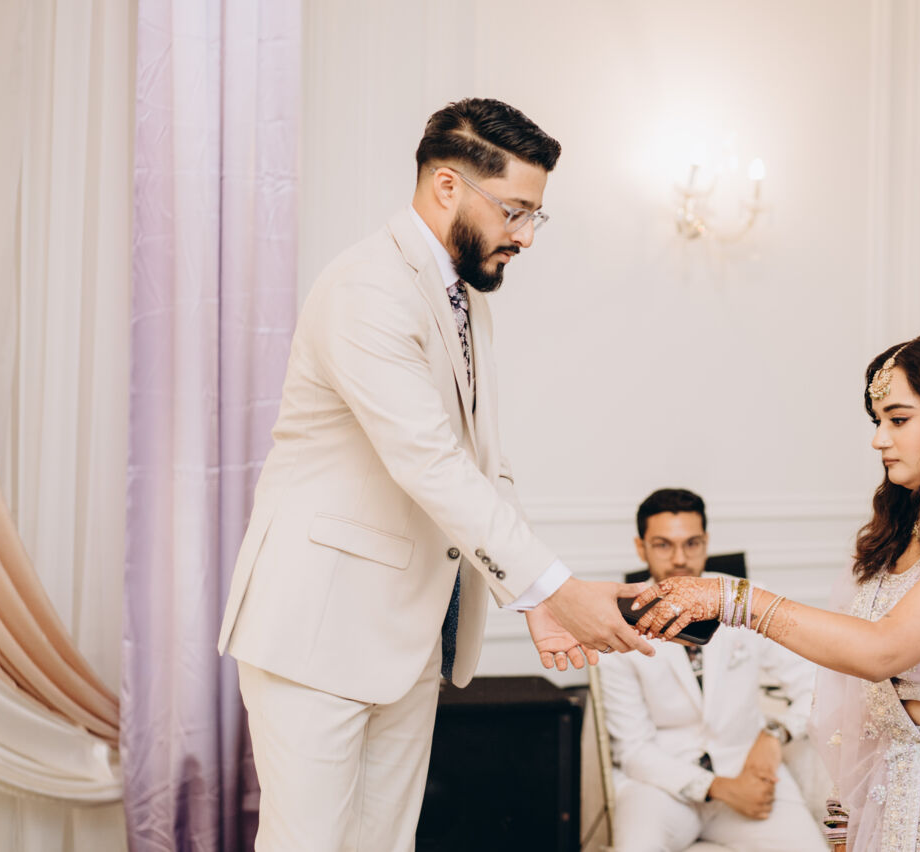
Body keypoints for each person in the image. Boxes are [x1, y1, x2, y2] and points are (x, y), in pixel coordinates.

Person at [216, 98, 653, 852]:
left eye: (535, 216)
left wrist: (533, 601)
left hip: (408, 638)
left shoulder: (464, 296)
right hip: (316, 633)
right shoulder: (366, 289)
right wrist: (554, 587)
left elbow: (485, 463)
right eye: (515, 211)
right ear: (448, 186)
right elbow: (430, 462)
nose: (525, 236)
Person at [631, 331, 920, 851]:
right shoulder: (911, 526)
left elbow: (882, 651)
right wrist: (846, 807)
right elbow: (858, 684)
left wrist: (734, 600)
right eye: (878, 422)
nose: (879, 440)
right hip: (900, 781)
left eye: (898, 420)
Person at [599, 489, 825, 852]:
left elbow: (817, 685)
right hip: (659, 787)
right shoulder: (616, 622)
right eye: (663, 545)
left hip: (748, 772)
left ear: (706, 542)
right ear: (641, 548)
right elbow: (633, 749)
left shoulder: (745, 597)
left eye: (692, 543)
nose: (679, 559)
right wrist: (719, 788)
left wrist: (774, 735)